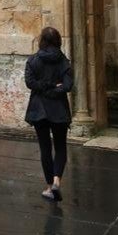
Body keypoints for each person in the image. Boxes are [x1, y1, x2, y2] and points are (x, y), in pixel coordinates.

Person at [24, 26, 74, 202]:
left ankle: (48, 186)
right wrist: (54, 87)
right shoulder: (64, 62)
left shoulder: (33, 60)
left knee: (45, 148)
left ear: (42, 41)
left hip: (40, 110)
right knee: (60, 146)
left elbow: (30, 83)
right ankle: (56, 182)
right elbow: (67, 86)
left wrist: (44, 87)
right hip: (58, 109)